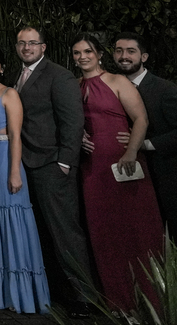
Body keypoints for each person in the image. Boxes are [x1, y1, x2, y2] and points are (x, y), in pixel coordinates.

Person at [72, 34, 163, 311]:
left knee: (136, 229)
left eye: (88, 51)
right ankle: (118, 301)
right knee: (104, 233)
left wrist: (131, 152)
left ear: (100, 54)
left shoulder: (117, 81)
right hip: (92, 169)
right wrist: (78, 135)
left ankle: (151, 300)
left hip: (123, 164)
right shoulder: (74, 85)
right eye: (77, 53)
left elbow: (141, 119)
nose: (83, 57)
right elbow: (69, 120)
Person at [13, 26, 93, 319]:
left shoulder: (59, 76)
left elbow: (73, 121)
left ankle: (86, 297)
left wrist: (65, 162)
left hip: (52, 164)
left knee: (65, 232)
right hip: (28, 163)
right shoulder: (19, 75)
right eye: (22, 43)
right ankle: (61, 291)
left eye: (32, 43)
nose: (27, 47)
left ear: (43, 47)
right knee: (44, 233)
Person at [0, 47, 49, 314]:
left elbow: (16, 136)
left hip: (5, 160)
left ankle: (21, 295)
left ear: (2, 68)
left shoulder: (10, 94)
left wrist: (15, 171)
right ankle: (0, 292)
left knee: (12, 221)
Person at [113, 32, 177, 234]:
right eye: (119, 51)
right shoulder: (109, 87)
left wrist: (144, 144)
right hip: (122, 174)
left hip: (164, 174)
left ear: (144, 57)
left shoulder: (165, 89)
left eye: (131, 51)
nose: (124, 56)